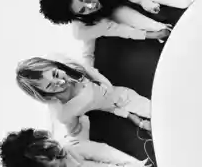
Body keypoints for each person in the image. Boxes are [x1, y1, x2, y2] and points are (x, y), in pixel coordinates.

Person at [38, 0, 184, 63]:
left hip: (112, 2)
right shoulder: (82, 29)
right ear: (78, 16)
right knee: (88, 52)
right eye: (83, 9)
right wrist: (152, 34)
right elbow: (118, 29)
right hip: (100, 21)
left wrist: (143, 2)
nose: (90, 4)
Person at [15, 56, 151, 137]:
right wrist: (136, 120)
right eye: (51, 86)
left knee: (151, 109)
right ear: (45, 93)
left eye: (56, 74)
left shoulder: (72, 67)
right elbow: (74, 131)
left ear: (57, 66)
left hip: (119, 95)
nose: (60, 82)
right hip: (112, 106)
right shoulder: (65, 112)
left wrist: (106, 87)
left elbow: (95, 76)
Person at [0, 128, 157, 167]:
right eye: (51, 160)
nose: (57, 154)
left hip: (81, 152)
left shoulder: (70, 148)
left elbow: (106, 156)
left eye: (52, 148)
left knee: (99, 154)